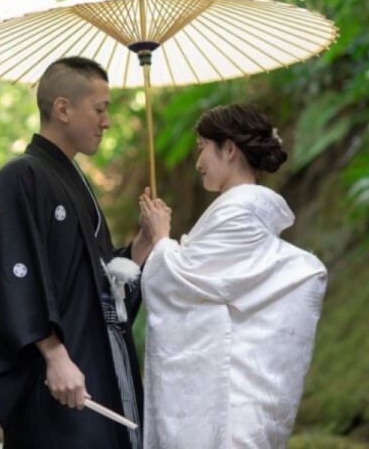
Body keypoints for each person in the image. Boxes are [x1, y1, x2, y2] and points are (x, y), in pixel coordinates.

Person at [0, 56, 153, 448]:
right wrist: (54, 355)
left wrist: (145, 241)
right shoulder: (20, 176)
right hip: (61, 373)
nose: (107, 122)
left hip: (97, 362)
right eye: (100, 110)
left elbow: (98, 283)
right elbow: (13, 274)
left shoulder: (74, 180)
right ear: (63, 109)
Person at [138, 103, 327, 449]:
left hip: (230, 402)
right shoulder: (240, 213)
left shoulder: (238, 215)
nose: (197, 162)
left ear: (228, 149)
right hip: (237, 394)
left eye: (201, 148)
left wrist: (162, 238)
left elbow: (179, 282)